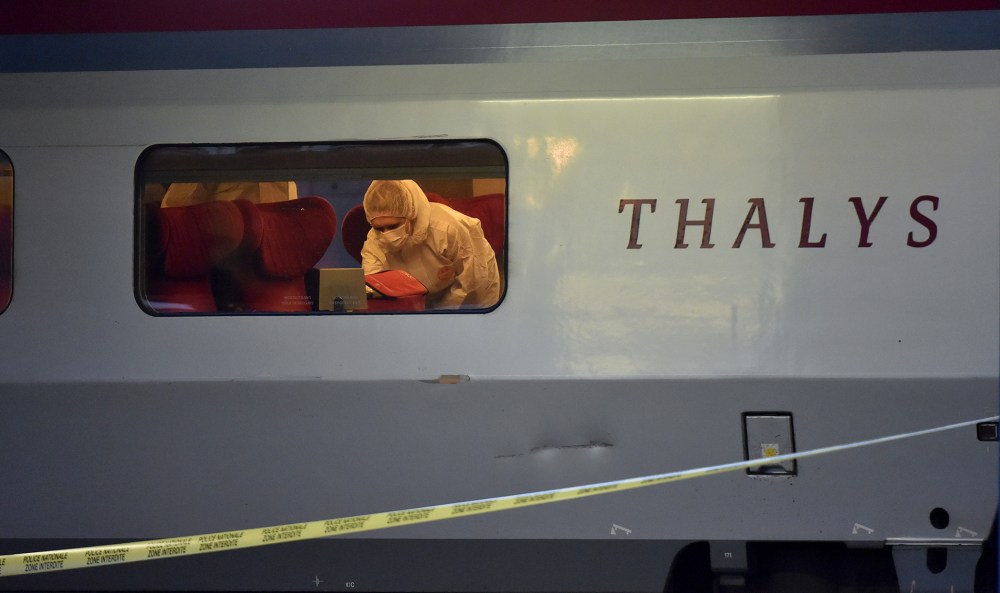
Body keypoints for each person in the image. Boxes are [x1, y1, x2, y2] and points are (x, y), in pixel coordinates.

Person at [361, 180, 501, 309]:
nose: (386, 234)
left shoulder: (448, 228)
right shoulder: (374, 242)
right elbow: (372, 287)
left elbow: (473, 282)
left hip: (468, 302)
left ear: (411, 214)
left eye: (393, 226)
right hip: (414, 307)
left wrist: (441, 314)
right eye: (379, 228)